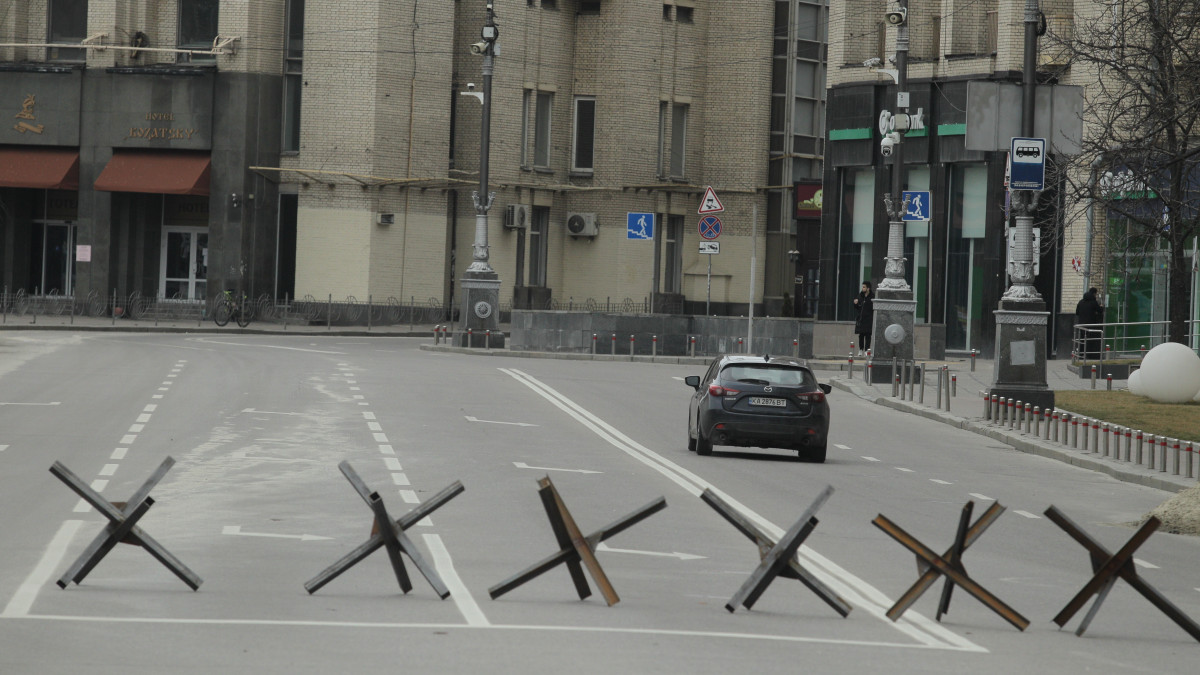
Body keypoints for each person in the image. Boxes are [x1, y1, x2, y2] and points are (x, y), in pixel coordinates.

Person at [1075, 287, 1105, 359]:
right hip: (1090, 325)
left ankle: (1081, 355)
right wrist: (1101, 307)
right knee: (1089, 341)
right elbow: (1100, 310)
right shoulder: (1093, 302)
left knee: (1082, 340)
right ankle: (1088, 355)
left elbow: (1077, 312)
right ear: (1094, 293)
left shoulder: (1081, 301)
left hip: (1081, 324)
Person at [853, 281, 874, 356]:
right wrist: (855, 303)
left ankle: (866, 350)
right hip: (861, 319)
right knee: (861, 335)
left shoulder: (872, 297)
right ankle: (860, 349)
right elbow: (857, 307)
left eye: (864, 287)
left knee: (868, 335)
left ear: (868, 288)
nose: (863, 288)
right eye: (862, 287)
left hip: (868, 319)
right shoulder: (860, 296)